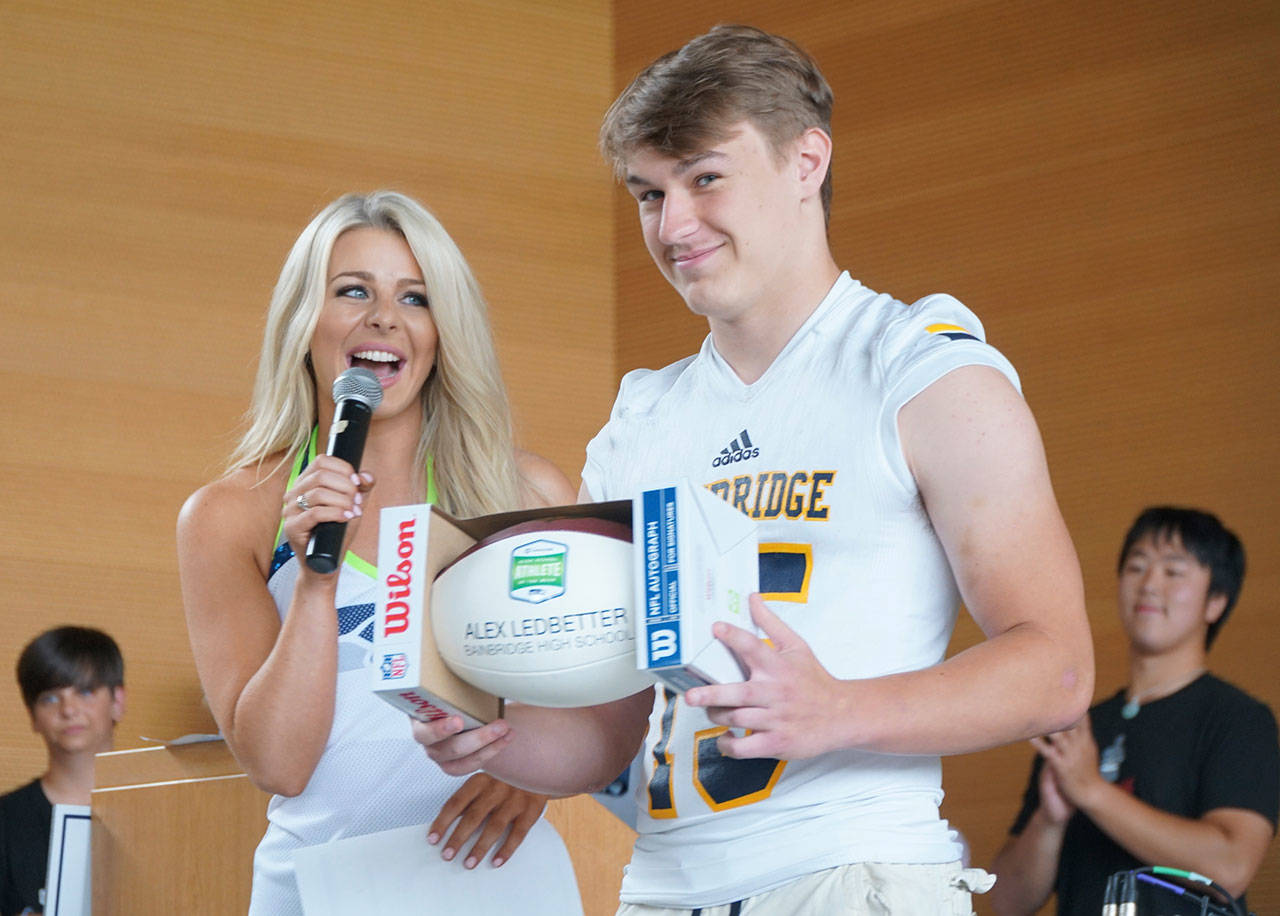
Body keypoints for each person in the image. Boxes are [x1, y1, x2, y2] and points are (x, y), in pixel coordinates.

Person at [414, 25, 1095, 915]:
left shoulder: (921, 370)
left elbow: (1058, 669)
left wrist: (839, 710)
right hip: (662, 888)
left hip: (853, 876)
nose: (674, 224)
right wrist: (488, 735)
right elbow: (607, 734)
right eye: (648, 193)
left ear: (806, 161)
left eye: (704, 178)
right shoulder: (641, 420)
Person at [176, 191, 580, 914]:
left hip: (495, 880)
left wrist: (533, 774)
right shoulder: (229, 516)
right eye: (352, 291)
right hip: (318, 889)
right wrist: (313, 584)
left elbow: (594, 699)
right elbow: (279, 765)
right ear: (305, 320)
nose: (384, 318)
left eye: (416, 298)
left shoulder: (524, 491)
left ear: (443, 330)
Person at [990, 507, 1278, 916]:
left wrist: (1091, 790)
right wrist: (1050, 821)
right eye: (1137, 566)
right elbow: (1005, 903)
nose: (1148, 584)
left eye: (1173, 572)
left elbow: (1229, 868)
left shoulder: (1239, 719)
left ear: (1215, 602)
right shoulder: (1076, 726)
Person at [0, 626, 125, 916]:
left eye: (85, 691)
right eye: (50, 698)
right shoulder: (6, 821)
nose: (69, 710)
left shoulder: (165, 813)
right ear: (32, 715)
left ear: (118, 701)